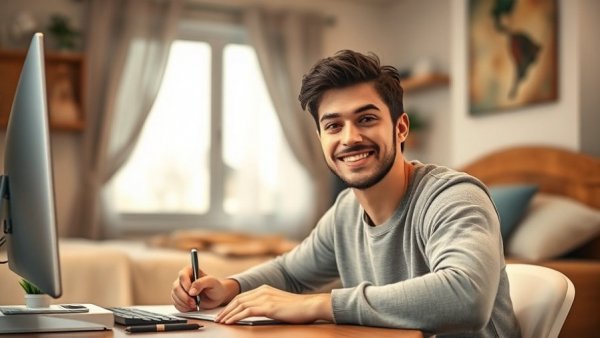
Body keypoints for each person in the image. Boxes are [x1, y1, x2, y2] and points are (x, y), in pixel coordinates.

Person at [171, 50, 520, 337]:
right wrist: (230, 286)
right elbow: (291, 273)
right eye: (333, 125)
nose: (350, 138)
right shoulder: (346, 212)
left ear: (400, 128)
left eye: (366, 119)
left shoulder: (453, 196)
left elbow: (466, 297)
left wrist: (319, 304)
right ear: (321, 139)